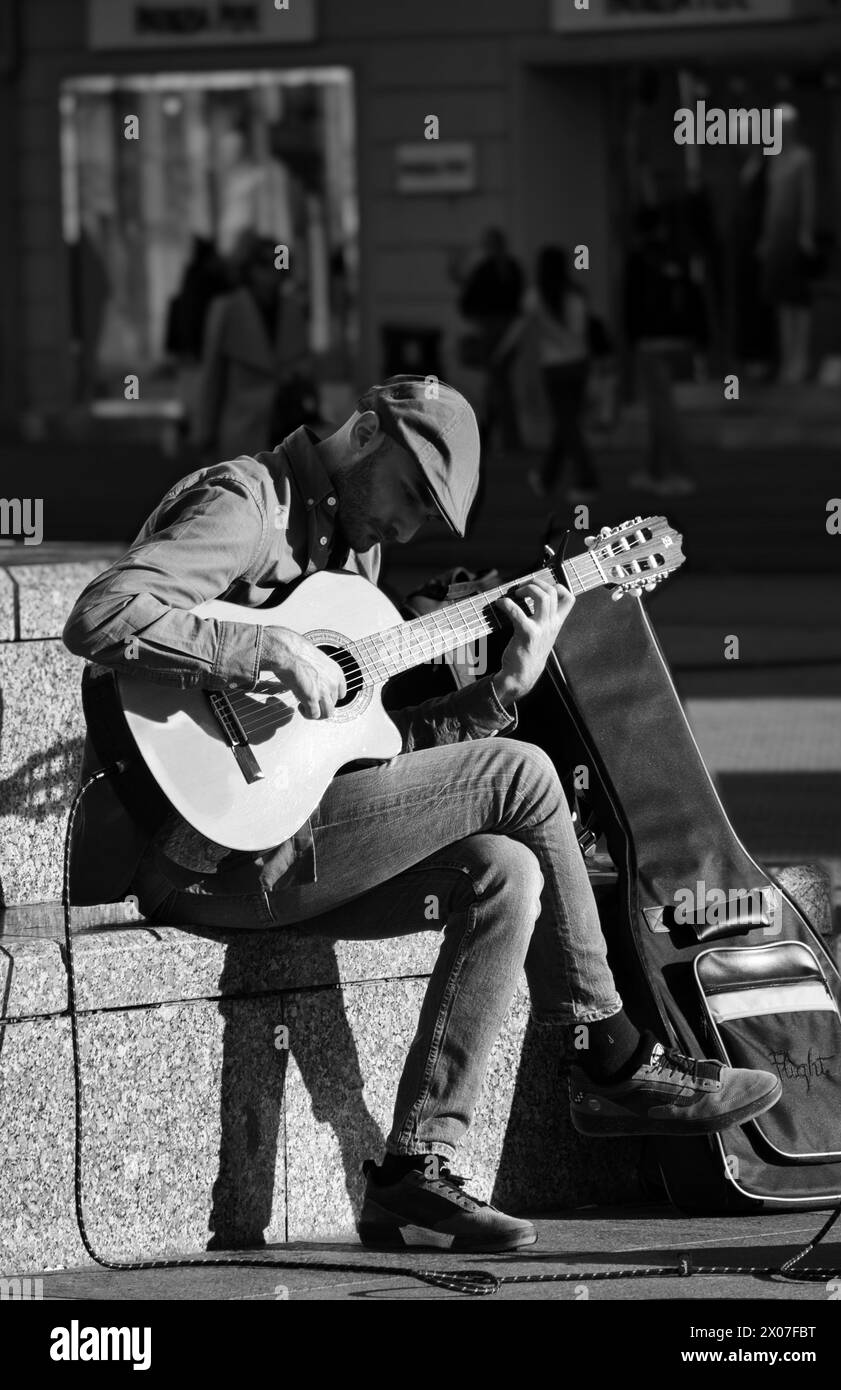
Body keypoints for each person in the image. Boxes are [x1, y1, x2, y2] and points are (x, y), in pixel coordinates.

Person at [63, 375, 780, 1253]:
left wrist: (501, 690)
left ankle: (416, 1169)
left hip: (291, 841)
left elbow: (369, 754)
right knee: (519, 772)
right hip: (198, 854)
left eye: (425, 519)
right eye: (408, 494)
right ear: (364, 431)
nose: (405, 530)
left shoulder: (352, 556)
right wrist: (266, 644)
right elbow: (100, 612)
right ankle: (611, 1052)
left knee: (505, 871)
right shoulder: (248, 506)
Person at [494, 245, 600, 504]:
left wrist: (499, 354)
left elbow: (517, 329)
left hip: (554, 369)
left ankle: (587, 480)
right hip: (578, 365)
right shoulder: (575, 295)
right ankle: (546, 479)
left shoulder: (535, 297)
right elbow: (581, 332)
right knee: (566, 424)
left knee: (567, 425)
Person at [195, 230, 311, 462]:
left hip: (285, 425)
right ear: (249, 270)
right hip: (242, 428)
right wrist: (205, 432)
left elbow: (304, 365)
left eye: (277, 265)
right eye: (263, 265)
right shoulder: (227, 309)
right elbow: (213, 375)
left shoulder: (292, 309)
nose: (271, 274)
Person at [624, 206, 698, 497]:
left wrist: (631, 340)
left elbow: (630, 303)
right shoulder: (675, 256)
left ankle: (677, 471)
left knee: (662, 410)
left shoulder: (638, 259)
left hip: (650, 341)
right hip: (676, 339)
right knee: (659, 409)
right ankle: (654, 469)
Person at [757, 105, 816, 385]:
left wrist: (806, 232)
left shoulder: (803, 158)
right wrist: (766, 238)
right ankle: (786, 360)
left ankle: (800, 360)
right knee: (781, 301)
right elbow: (770, 203)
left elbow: (807, 196)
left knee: (799, 301)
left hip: (794, 236)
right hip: (778, 236)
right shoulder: (774, 159)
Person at [454, 228, 525, 453]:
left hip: (490, 331)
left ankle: (495, 437)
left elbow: (467, 302)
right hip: (509, 329)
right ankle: (501, 437)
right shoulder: (513, 268)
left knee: (497, 385)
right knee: (499, 383)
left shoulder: (484, 271)